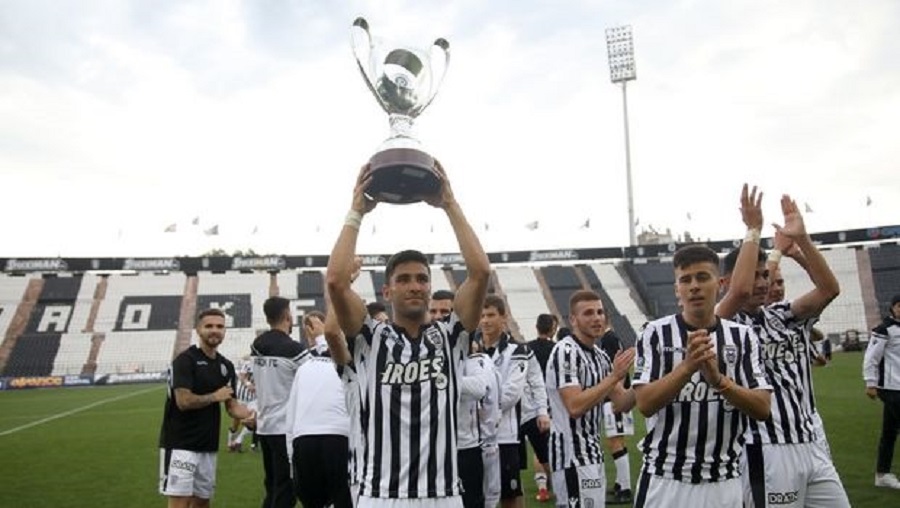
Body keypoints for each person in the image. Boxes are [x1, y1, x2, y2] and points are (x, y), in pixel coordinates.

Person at [324, 162, 491, 507]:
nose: (414, 286)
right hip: (382, 496)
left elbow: (480, 273)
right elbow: (336, 282)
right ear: (386, 291)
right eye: (403, 279)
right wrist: (356, 211)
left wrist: (449, 204)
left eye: (421, 279)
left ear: (430, 287)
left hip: (443, 495)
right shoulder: (371, 339)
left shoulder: (451, 336)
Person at [719, 190, 848, 507]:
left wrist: (801, 242)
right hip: (765, 450)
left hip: (812, 444)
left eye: (766, 275)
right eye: (755, 276)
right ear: (725, 283)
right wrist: (753, 230)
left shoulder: (785, 315)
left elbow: (829, 289)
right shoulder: (722, 325)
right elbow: (739, 291)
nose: (762, 283)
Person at [632, 244, 772, 507]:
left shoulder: (742, 336)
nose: (694, 286)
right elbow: (645, 404)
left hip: (724, 481)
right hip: (665, 480)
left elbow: (763, 408)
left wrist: (719, 381)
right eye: (685, 280)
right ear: (677, 290)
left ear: (720, 284)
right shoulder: (655, 333)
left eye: (702, 277)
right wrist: (687, 367)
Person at [545, 290, 635, 508]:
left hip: (592, 453)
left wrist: (649, 378)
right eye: (588, 313)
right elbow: (574, 406)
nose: (597, 318)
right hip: (571, 455)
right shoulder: (566, 351)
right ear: (573, 320)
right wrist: (614, 376)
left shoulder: (600, 356)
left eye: (600, 312)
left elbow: (622, 403)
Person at [158, 308, 256, 508]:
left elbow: (232, 406)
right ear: (198, 329)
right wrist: (214, 396)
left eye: (220, 326)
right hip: (181, 445)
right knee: (180, 503)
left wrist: (254, 417)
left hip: (208, 446)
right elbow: (183, 401)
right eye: (209, 326)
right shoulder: (185, 361)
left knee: (203, 502)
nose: (215, 330)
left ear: (225, 331)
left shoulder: (226, 366)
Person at [285, 310, 353, 508]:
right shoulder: (306, 365)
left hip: (328, 436)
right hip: (317, 438)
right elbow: (292, 410)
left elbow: (291, 415)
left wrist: (322, 335)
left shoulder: (345, 357)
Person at [252, 297, 309, 508]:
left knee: (273, 485)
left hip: (265, 426)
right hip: (285, 428)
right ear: (287, 316)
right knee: (287, 488)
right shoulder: (293, 349)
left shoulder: (257, 345)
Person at [479, 294, 529, 508]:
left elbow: (511, 394)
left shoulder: (517, 351)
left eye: (491, 315)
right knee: (476, 497)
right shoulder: (469, 348)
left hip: (504, 437)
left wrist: (478, 405)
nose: (485, 320)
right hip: (473, 438)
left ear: (503, 317)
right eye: (482, 316)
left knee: (509, 497)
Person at [863, 293, 900, 489]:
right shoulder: (884, 330)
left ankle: (882, 474)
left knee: (889, 431)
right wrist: (871, 383)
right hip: (890, 388)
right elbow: (871, 358)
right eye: (899, 306)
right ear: (892, 308)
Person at [597, 324, 635, 505]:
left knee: (615, 442)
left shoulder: (609, 339)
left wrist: (618, 397)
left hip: (614, 398)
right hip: (616, 396)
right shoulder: (611, 338)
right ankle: (621, 483)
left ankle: (625, 489)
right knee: (616, 441)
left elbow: (619, 370)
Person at [522, 314, 557, 503]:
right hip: (552, 401)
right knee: (551, 446)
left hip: (533, 402)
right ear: (552, 328)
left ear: (536, 327)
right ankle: (558, 484)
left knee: (538, 448)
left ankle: (543, 488)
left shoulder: (527, 348)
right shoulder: (557, 349)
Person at [228, 356, 258, 452]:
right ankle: (230, 443)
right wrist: (248, 384)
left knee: (255, 420)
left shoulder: (265, 365)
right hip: (242, 396)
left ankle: (238, 441)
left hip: (254, 398)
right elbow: (241, 375)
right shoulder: (249, 363)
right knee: (236, 422)